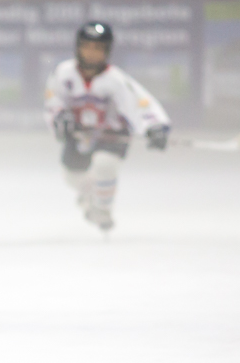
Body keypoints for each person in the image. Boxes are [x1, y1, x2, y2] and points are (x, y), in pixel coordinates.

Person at [44, 21, 171, 232]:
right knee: (71, 176)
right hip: (80, 135)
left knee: (105, 165)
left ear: (107, 50)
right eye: (87, 46)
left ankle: (102, 211)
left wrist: (154, 126)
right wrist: (60, 119)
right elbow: (54, 102)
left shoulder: (116, 80)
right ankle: (89, 194)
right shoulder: (63, 74)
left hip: (112, 135)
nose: (92, 53)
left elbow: (139, 103)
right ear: (78, 47)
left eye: (98, 48)